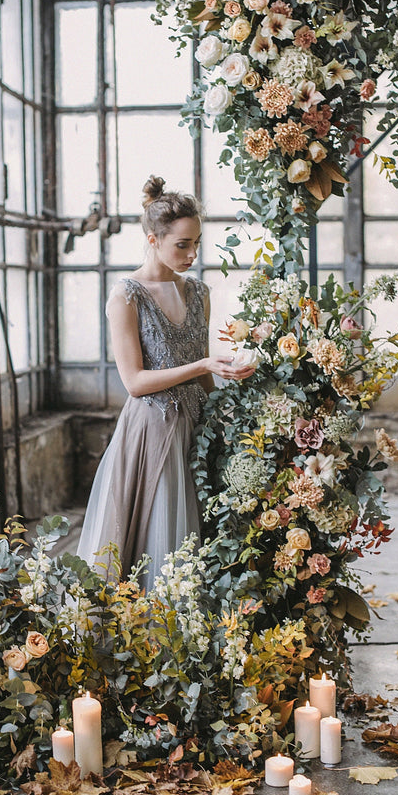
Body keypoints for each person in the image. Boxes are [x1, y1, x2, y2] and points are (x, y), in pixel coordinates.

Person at [77, 175, 256, 589]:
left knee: (200, 539)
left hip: (196, 430)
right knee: (153, 544)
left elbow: (207, 378)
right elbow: (135, 382)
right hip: (151, 432)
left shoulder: (199, 293)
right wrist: (204, 366)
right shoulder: (126, 295)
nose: (193, 254)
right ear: (152, 238)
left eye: (196, 243)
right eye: (182, 245)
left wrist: (226, 418)